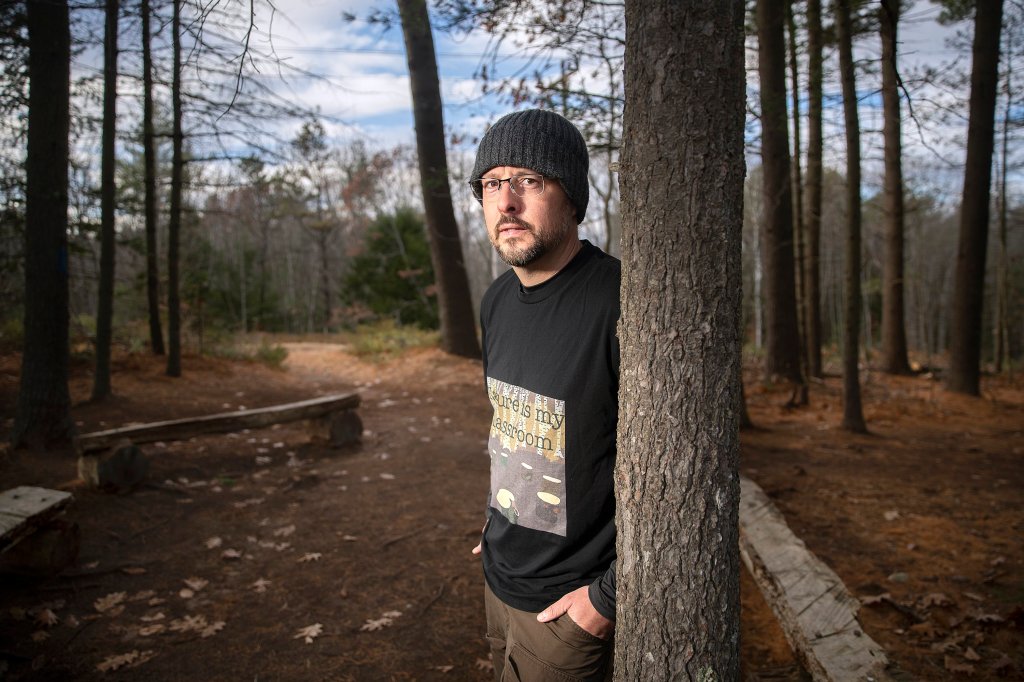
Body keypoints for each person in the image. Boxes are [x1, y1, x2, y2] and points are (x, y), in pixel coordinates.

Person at [470, 109, 620, 682]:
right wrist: (499, 516)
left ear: (572, 197)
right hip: (499, 579)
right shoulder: (496, 301)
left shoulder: (620, 300)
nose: (506, 202)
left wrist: (608, 599)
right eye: (492, 184)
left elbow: (680, 475)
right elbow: (511, 423)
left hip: (569, 607)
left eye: (529, 180)